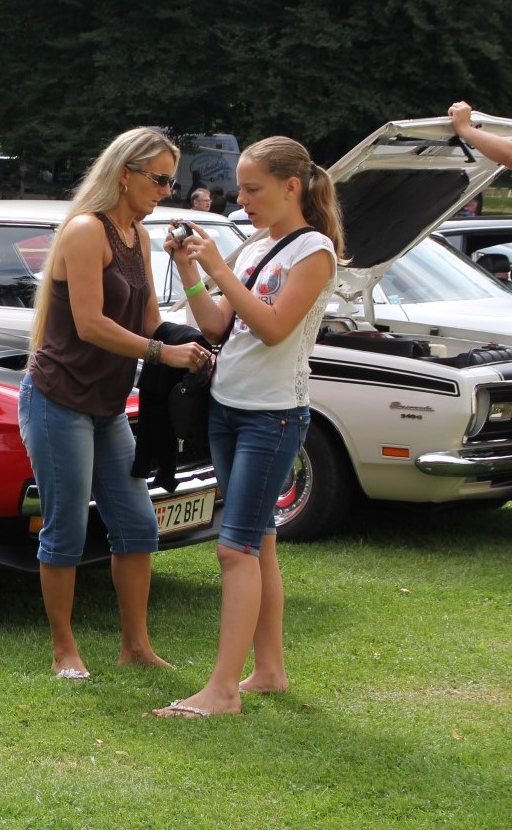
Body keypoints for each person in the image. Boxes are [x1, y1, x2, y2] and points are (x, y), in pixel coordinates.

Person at [154, 135, 342, 718]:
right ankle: (269, 671)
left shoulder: (314, 252)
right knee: (258, 545)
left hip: (273, 416)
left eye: (254, 189)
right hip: (231, 408)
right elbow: (216, 324)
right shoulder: (261, 245)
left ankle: (223, 690)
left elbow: (273, 328)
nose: (244, 199)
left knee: (234, 551)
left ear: (293, 187)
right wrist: (189, 269)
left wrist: (216, 264)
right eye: (241, 187)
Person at [20, 126, 209, 680]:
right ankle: (64, 651)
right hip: (57, 399)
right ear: (123, 173)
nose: (164, 191)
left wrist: (194, 342)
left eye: (171, 181)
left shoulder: (137, 236)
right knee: (67, 528)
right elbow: (90, 324)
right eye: (157, 179)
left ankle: (135, 646)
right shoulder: (86, 231)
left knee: (136, 525)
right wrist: (161, 354)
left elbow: (150, 321)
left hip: (104, 406)